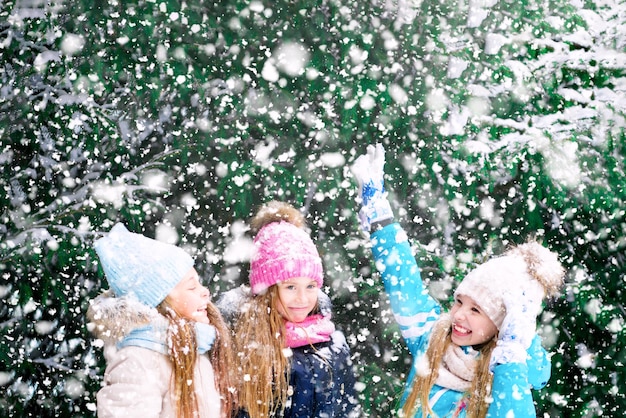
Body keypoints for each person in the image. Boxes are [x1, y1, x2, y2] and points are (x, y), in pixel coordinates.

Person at [350, 144, 566, 417]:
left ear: (502, 324)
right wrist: (378, 214)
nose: (459, 315)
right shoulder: (433, 340)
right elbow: (404, 282)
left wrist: (511, 354)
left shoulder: (509, 380)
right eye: (459, 302)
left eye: (476, 310)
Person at [217, 201, 362, 418]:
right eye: (290, 286)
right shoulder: (242, 344)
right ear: (268, 290)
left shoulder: (333, 345)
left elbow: (348, 410)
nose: (302, 298)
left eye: (310, 286)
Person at [86, 223, 236, 418]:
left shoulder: (198, 347)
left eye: (199, 283)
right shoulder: (139, 360)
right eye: (192, 287)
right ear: (161, 302)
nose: (204, 291)